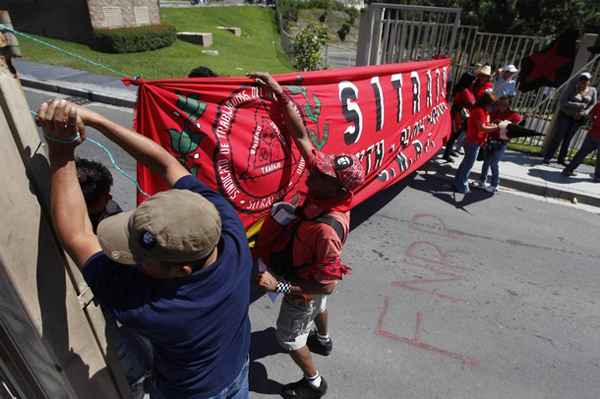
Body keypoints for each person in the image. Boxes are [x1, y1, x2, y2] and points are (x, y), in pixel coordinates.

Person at [37, 98, 251, 399]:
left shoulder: (148, 307)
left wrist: (61, 149)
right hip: (238, 372)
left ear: (181, 270)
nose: (132, 260)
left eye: (141, 258)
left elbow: (77, 234)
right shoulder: (228, 232)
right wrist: (99, 120)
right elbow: (168, 165)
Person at [249, 72, 365, 399]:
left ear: (338, 186)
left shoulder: (326, 230)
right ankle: (324, 340)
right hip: (311, 273)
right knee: (321, 306)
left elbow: (326, 284)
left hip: (302, 286)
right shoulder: (327, 188)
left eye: (322, 173)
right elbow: (300, 136)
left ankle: (314, 381)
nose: (313, 170)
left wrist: (280, 286)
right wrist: (278, 91)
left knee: (288, 337)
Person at [76, 158, 152, 398]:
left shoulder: (110, 212)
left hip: (121, 285)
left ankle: (148, 366)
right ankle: (136, 377)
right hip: (93, 292)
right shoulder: (67, 225)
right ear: (84, 205)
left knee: (138, 328)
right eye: (104, 196)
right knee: (111, 337)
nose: (110, 199)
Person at [544, 72, 598, 166]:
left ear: (589, 81)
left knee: (568, 139)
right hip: (566, 116)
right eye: (582, 80)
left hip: (578, 118)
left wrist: (584, 113)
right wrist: (577, 104)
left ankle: (562, 158)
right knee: (558, 137)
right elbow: (563, 101)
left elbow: (593, 104)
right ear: (578, 80)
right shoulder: (572, 89)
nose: (583, 82)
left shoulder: (592, 91)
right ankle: (548, 156)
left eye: (586, 80)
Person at [472, 96, 522, 193]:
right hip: (491, 140)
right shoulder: (494, 113)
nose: (501, 106)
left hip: (502, 142)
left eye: (504, 105)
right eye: (500, 104)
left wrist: (523, 119)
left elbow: (516, 128)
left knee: (494, 163)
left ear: (508, 106)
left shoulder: (513, 115)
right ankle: (482, 180)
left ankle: (495, 184)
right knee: (486, 161)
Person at [453, 92, 499, 194]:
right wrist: (496, 128)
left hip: (472, 141)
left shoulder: (481, 111)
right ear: (485, 103)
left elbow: (484, 125)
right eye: (491, 104)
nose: (491, 107)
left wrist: (493, 126)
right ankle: (462, 186)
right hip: (473, 141)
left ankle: (457, 182)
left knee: (465, 164)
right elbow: (481, 127)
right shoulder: (480, 112)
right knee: (468, 166)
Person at [562, 100, 600, 181]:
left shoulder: (599, 103)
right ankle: (598, 177)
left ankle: (568, 170)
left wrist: (594, 121)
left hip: (593, 133)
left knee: (582, 152)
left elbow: (590, 115)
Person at [443, 71, 476, 162]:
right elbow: (471, 103)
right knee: (454, 134)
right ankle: (446, 153)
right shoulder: (465, 91)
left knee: (455, 134)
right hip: (459, 115)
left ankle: (449, 151)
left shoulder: (465, 89)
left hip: (458, 114)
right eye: (473, 80)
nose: (474, 82)